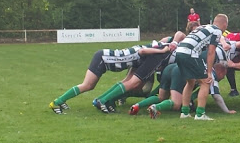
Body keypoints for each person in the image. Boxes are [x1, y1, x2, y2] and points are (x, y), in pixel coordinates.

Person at [48, 36, 178, 115]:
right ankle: (57, 102)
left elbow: (165, 40)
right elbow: (143, 51)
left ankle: (104, 101)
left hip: (104, 58)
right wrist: (165, 49)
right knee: (87, 85)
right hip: (103, 59)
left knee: (127, 82)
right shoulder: (152, 50)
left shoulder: (155, 47)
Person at [175, 14, 228, 120]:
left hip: (179, 51)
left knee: (190, 82)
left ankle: (184, 113)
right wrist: (209, 72)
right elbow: (211, 52)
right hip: (190, 53)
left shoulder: (203, 27)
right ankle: (200, 114)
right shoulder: (217, 31)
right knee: (205, 82)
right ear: (225, 24)